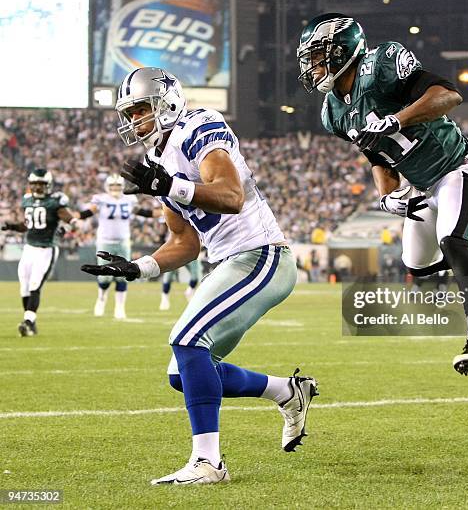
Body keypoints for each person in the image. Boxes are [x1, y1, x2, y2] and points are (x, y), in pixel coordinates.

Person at [81, 67, 318, 485]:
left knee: (188, 341)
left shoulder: (199, 125)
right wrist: (139, 266)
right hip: (228, 261)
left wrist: (170, 185)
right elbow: (185, 243)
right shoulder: (157, 160)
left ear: (167, 102)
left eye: (140, 109)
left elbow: (230, 195)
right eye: (129, 113)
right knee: (182, 372)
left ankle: (208, 463)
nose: (134, 121)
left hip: (260, 254)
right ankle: (287, 391)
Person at [296, 13, 468, 376]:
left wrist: (399, 118)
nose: (313, 67)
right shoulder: (333, 112)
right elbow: (374, 154)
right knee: (419, 264)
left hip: (459, 168)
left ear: (343, 50)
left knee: (453, 242)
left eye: (319, 56)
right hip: (421, 185)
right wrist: (386, 195)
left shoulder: (380, 65)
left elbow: (449, 94)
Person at [1, 169, 78, 336]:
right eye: (35, 183)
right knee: (24, 287)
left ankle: (28, 321)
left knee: (35, 285)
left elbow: (73, 221)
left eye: (41, 184)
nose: (37, 187)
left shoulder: (55, 202)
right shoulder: (27, 200)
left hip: (46, 249)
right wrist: (12, 226)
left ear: (48, 185)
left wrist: (63, 230)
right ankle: (30, 323)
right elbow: (27, 225)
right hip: (29, 248)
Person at [78, 173, 158, 319]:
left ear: (122, 187)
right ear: (107, 187)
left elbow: (143, 212)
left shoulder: (129, 199)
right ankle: (101, 299)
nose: (115, 188)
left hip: (123, 241)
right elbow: (89, 212)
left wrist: (163, 212)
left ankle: (120, 308)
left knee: (124, 274)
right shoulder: (101, 199)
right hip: (105, 241)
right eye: (112, 186)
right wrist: (74, 216)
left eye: (117, 186)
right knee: (104, 276)